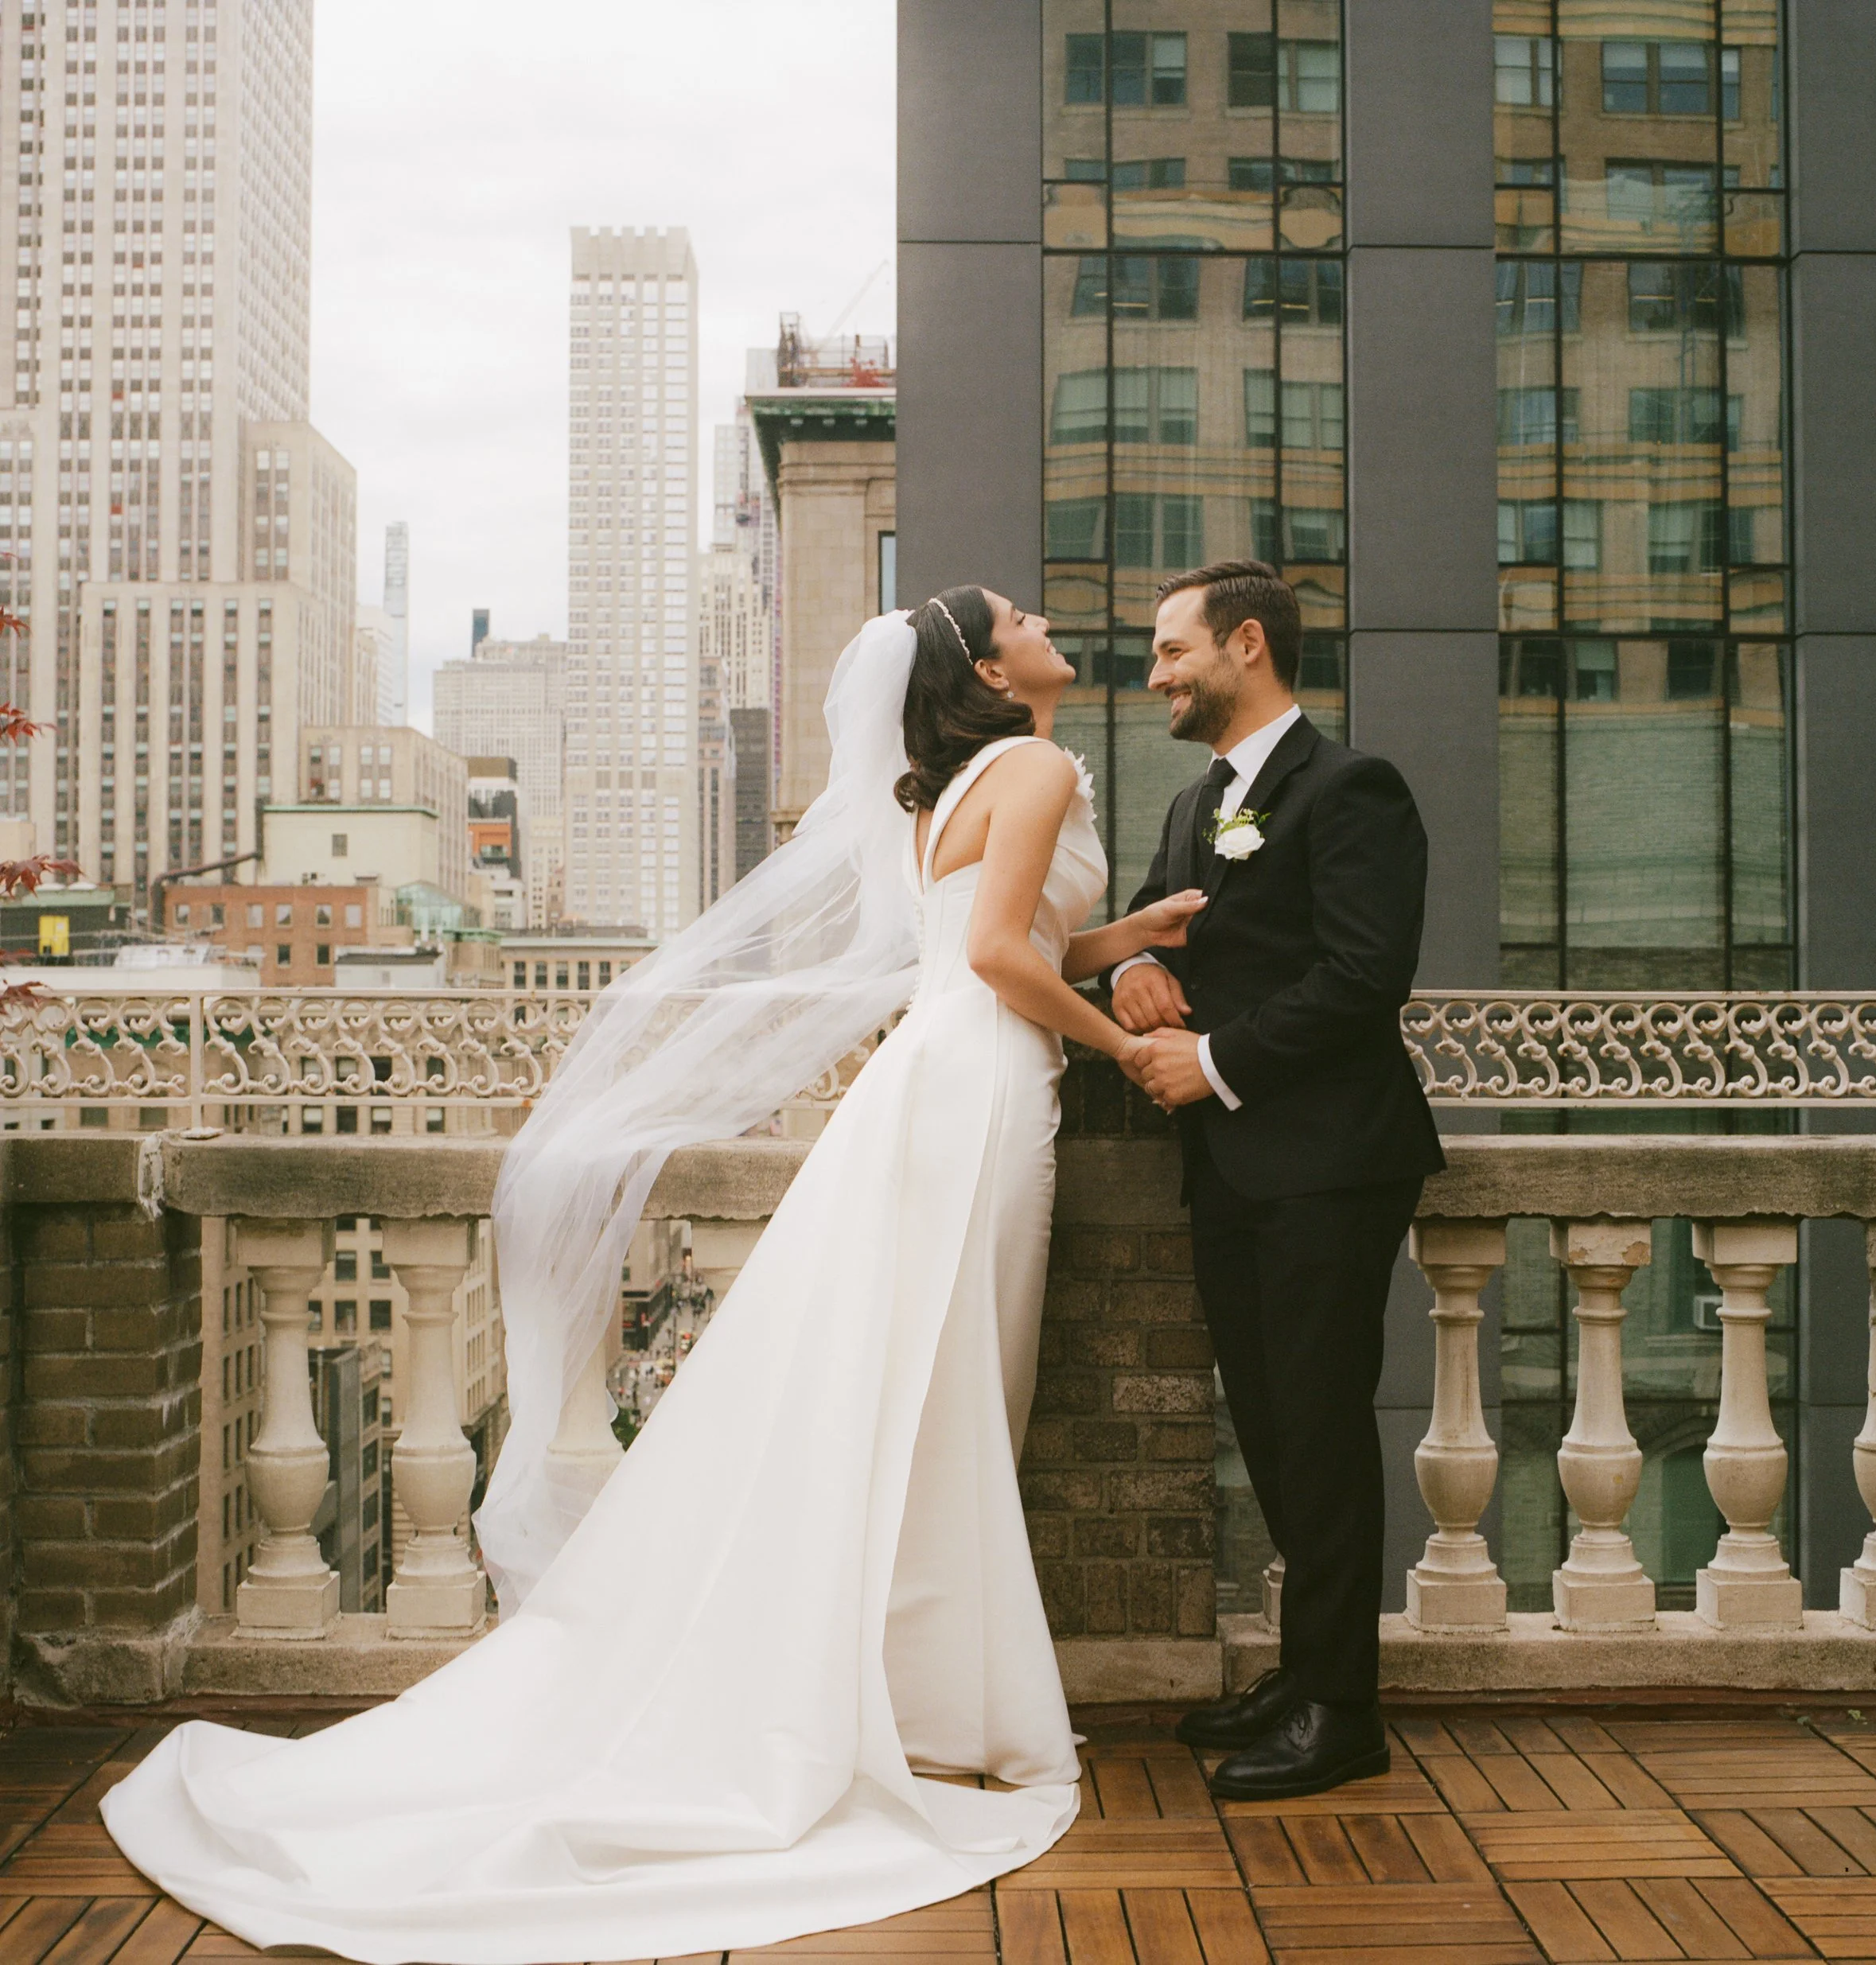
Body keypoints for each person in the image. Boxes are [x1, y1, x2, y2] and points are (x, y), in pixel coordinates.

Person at [96, 593, 1205, 1965]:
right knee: (958, 1387)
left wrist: (1130, 929)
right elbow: (988, 960)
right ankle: (935, 1706)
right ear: (987, 668)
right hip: (982, 1088)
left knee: (921, 1391)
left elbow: (997, 944)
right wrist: (1119, 1044)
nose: (1045, 618)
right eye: (1019, 617)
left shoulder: (951, 788)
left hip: (937, 1083)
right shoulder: (1034, 764)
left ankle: (920, 1697)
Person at [1112, 560, 1446, 1803]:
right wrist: (1127, 980)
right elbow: (1162, 914)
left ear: (1245, 645)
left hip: (1327, 1166)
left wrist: (1211, 1061)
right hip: (1235, 1171)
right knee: (1268, 1423)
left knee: (1319, 1429)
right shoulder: (1204, 798)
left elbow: (1366, 976)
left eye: (1170, 649)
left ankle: (1343, 1711)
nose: (1155, 674)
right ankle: (1303, 1675)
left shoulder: (1354, 788)